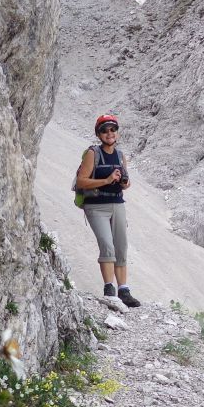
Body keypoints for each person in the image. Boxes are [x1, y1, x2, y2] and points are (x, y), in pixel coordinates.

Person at [75, 114, 141, 307]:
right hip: (96, 206)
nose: (109, 133)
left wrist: (124, 182)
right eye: (104, 130)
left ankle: (124, 290)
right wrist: (106, 180)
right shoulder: (92, 154)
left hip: (118, 204)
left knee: (121, 247)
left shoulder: (120, 156)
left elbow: (125, 182)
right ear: (98, 134)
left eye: (112, 129)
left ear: (117, 133)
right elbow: (81, 181)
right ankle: (109, 289)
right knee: (107, 245)